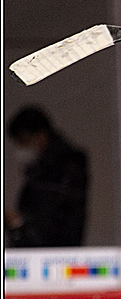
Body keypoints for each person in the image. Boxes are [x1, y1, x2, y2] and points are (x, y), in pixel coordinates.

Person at [5, 106, 89, 247]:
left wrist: (21, 222)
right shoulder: (38, 170)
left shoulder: (66, 166)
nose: (21, 149)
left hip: (54, 251)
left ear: (41, 136)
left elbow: (57, 221)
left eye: (24, 141)